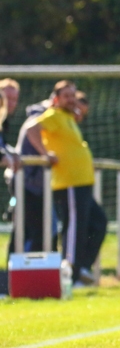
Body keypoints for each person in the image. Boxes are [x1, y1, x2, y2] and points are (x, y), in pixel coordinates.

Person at [26, 81, 107, 286]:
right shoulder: (53, 115)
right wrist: (46, 154)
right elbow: (31, 129)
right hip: (69, 183)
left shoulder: (68, 118)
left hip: (83, 182)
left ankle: (81, 267)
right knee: (74, 229)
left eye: (73, 95)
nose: (71, 100)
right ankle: (71, 274)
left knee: (99, 223)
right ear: (56, 99)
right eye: (66, 96)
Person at [7, 94, 56, 257]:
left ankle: (14, 272)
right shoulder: (40, 115)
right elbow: (31, 130)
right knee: (34, 228)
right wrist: (46, 155)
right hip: (26, 182)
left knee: (27, 228)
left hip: (33, 183)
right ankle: (24, 270)